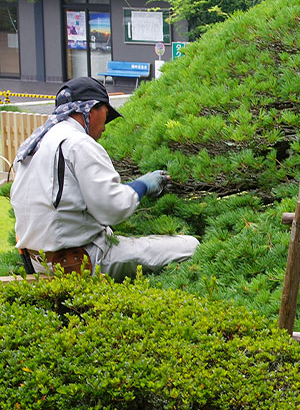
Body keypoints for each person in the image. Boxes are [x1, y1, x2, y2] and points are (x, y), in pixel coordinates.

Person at [11, 76, 199, 281]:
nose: (105, 127)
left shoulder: (35, 144)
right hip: (82, 260)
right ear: (92, 109)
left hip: (39, 263)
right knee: (189, 246)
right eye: (106, 114)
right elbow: (112, 207)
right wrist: (143, 185)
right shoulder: (78, 143)